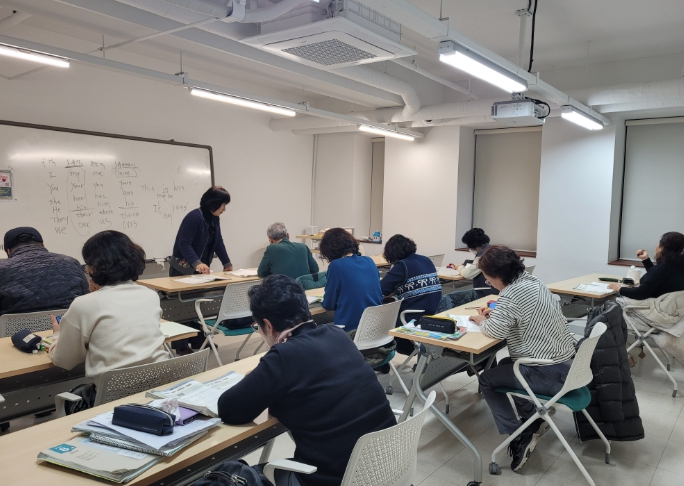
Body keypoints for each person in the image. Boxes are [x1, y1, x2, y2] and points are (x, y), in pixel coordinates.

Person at [217, 275, 396, 486]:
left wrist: (263, 375)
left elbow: (229, 409)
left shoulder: (284, 357)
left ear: (268, 325)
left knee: (235, 476)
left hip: (338, 479)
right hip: (386, 467)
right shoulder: (337, 335)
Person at [469, 245, 575, 472]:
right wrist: (498, 313)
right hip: (567, 365)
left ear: (499, 276)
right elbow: (520, 312)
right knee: (505, 364)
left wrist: (482, 320)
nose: (488, 283)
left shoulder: (511, 294)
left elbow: (495, 332)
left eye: (488, 279)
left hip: (548, 372)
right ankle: (533, 420)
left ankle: (516, 435)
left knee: (486, 380)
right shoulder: (532, 281)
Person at [49, 231, 168, 388]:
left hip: (113, 394)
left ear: (93, 268)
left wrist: (57, 336)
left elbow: (64, 360)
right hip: (160, 386)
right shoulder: (150, 295)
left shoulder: (84, 304)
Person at [0, 227, 88, 316]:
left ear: (8, 251)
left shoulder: (2, 268)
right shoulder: (71, 262)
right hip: (67, 323)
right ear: (42, 245)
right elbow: (86, 298)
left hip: (14, 325)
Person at [381, 234, 441, 355]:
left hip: (413, 316)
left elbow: (382, 289)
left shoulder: (402, 265)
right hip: (435, 310)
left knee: (381, 314)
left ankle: (382, 353)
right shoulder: (426, 259)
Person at [319, 228, 382, 331]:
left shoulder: (336, 265)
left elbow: (329, 304)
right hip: (374, 328)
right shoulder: (369, 261)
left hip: (350, 330)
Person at [170, 186, 233, 276]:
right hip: (183, 269)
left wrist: (226, 262)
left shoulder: (215, 218)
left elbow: (218, 241)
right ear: (214, 203)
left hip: (201, 268)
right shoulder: (194, 217)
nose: (224, 209)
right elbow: (184, 244)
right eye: (223, 205)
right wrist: (197, 263)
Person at [608, 232, 684, 299]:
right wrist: (645, 259)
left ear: (662, 248)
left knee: (608, 300)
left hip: (650, 306)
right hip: (671, 307)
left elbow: (640, 293)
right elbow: (657, 278)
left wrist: (619, 288)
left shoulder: (662, 269)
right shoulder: (676, 267)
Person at [454, 228, 497, 297]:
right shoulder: (491, 250)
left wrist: (460, 267)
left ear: (473, 245)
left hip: (489, 291)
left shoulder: (483, 256)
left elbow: (468, 274)